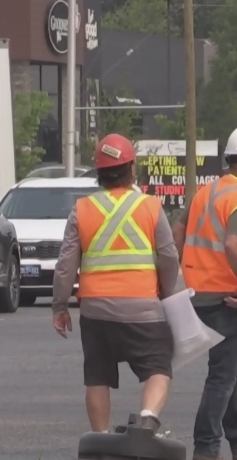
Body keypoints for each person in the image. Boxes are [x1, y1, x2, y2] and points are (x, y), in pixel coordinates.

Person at [52, 134, 179, 432]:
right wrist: (167, 294)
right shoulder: (150, 206)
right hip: (144, 309)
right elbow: (169, 256)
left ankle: (101, 438)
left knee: (97, 376)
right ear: (131, 168)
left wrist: (60, 306)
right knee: (159, 366)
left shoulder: (81, 210)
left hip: (95, 312)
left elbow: (65, 265)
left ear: (99, 172)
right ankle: (148, 418)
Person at [171, 123, 237, 460]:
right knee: (223, 377)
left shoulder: (208, 191)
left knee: (230, 373)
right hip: (229, 298)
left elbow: (179, 230)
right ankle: (205, 449)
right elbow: (233, 244)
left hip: (200, 294)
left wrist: (182, 270)